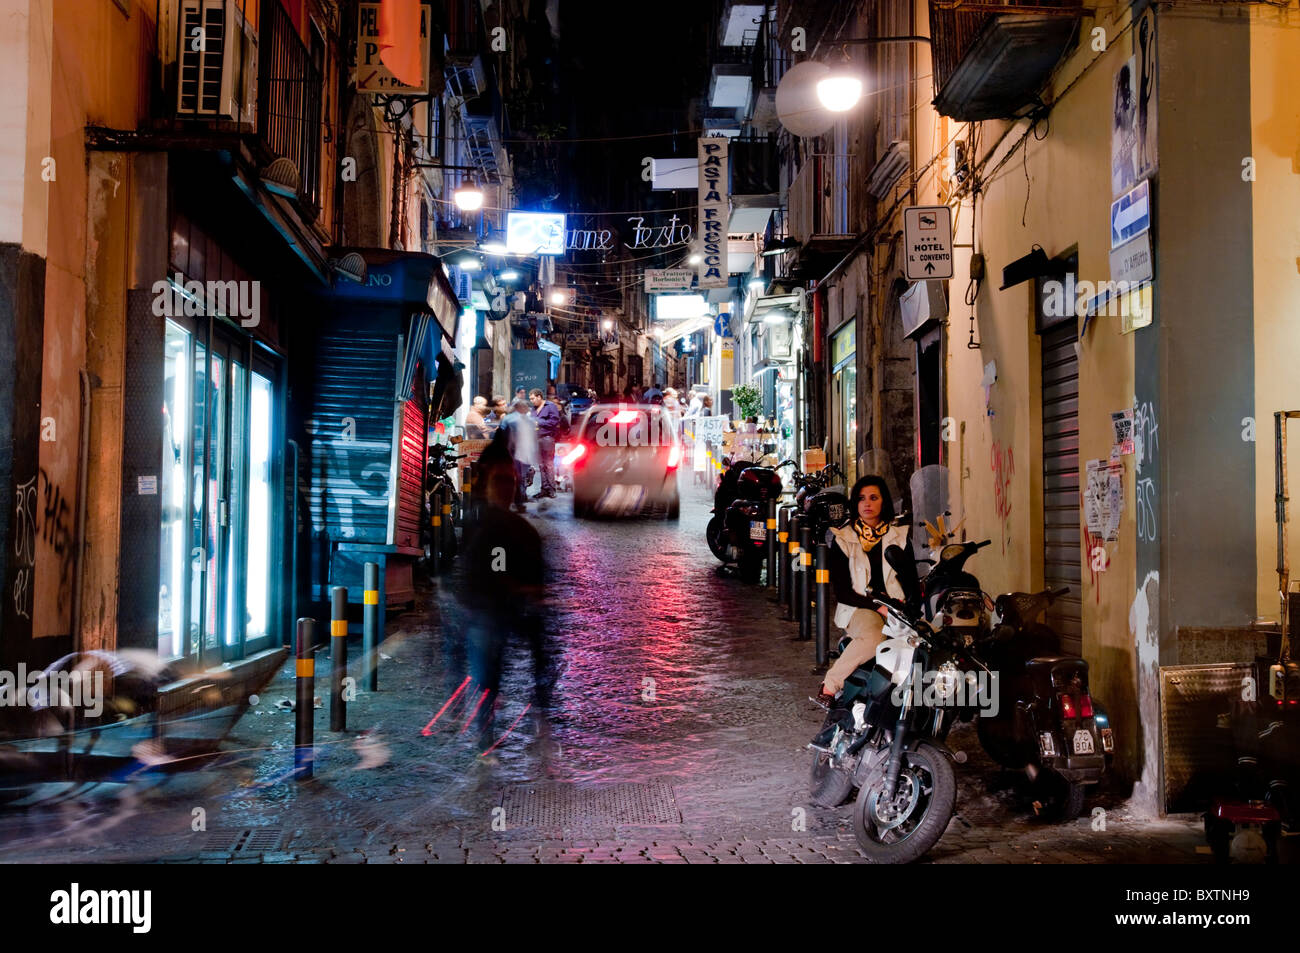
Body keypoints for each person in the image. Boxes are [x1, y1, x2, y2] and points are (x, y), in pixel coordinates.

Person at [456, 451, 553, 752]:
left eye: (510, 482)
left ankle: (537, 721)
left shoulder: (519, 530)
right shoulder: (481, 526)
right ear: (488, 487)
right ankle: (486, 737)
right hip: (489, 612)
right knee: (487, 676)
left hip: (510, 612)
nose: (506, 488)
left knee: (534, 665)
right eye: (501, 482)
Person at [818, 475, 910, 701]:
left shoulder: (900, 536)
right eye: (861, 499)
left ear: (883, 502)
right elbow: (842, 593)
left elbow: (909, 580)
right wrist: (878, 607)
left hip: (897, 607)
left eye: (873, 498)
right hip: (860, 607)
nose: (867, 504)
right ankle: (830, 685)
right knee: (873, 637)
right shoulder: (843, 539)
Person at [500, 398, 538, 511]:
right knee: (520, 477)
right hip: (520, 452)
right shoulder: (528, 420)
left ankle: (516, 500)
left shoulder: (509, 419)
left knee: (518, 477)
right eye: (525, 407)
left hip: (514, 452)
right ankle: (519, 500)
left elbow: (501, 435)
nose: (527, 409)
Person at [529, 387, 561, 499]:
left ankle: (552, 489)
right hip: (537, 438)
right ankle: (544, 489)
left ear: (539, 397)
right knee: (541, 465)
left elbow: (554, 421)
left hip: (547, 438)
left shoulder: (550, 406)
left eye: (533, 398)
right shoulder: (533, 409)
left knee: (548, 464)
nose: (531, 401)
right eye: (530, 399)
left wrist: (539, 421)